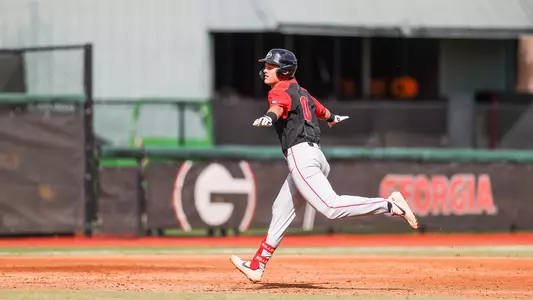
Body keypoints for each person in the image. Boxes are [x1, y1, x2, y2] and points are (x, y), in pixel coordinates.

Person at [229, 48, 419, 283]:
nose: (265, 69)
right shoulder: (302, 91)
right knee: (281, 209)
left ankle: (389, 205)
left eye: (270, 66)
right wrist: (333, 118)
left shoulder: (279, 90)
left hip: (301, 157)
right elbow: (321, 110)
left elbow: (277, 108)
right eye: (266, 65)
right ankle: (258, 265)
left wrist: (270, 117)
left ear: (285, 70)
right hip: (315, 156)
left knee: (331, 207)